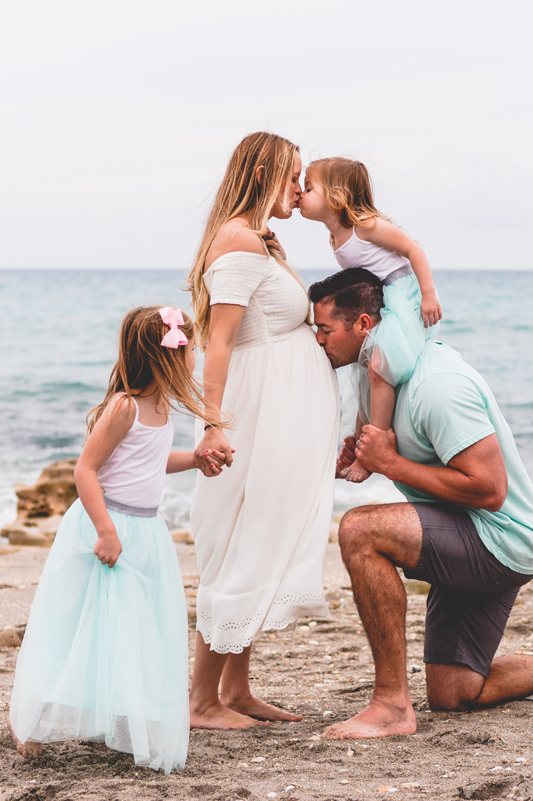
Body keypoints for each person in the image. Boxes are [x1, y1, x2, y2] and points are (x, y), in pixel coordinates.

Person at [309, 269, 533, 740]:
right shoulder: (376, 379)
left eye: (325, 329)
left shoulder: (438, 387)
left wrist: (389, 463)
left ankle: (390, 704)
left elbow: (490, 489)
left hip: (501, 538)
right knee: (454, 694)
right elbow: (384, 455)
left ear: (364, 325)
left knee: (359, 529)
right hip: (464, 528)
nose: (317, 339)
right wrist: (359, 459)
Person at [8, 305, 223, 773]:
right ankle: (32, 722)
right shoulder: (124, 406)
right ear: (170, 355)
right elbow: (85, 470)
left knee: (134, 627)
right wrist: (105, 530)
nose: (196, 358)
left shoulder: (161, 406)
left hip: (145, 530)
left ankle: (127, 722)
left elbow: (150, 461)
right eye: (191, 349)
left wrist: (196, 460)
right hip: (107, 529)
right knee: (77, 625)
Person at [185, 132, 340, 729]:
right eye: (294, 177)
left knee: (261, 537)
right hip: (254, 416)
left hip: (275, 415)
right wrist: (213, 425)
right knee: (241, 546)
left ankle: (237, 690)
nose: (301, 190)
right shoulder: (241, 241)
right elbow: (217, 341)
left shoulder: (258, 241)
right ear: (266, 174)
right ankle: (201, 701)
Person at [298, 157, 442, 484]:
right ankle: (359, 445)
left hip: (402, 294)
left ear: (335, 195)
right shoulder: (334, 234)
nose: (300, 195)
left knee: (379, 365)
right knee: (361, 372)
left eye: (308, 188)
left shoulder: (364, 225)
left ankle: (377, 446)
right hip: (382, 298)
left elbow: (413, 250)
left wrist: (429, 293)